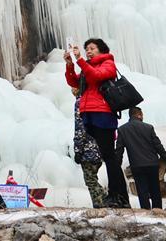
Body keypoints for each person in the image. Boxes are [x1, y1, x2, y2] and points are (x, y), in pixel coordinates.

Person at [64, 38, 129, 208]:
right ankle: (118, 196)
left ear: (102, 50)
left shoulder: (108, 63)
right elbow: (74, 82)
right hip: (90, 115)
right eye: (87, 49)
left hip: (103, 115)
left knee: (110, 157)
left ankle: (118, 196)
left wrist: (79, 61)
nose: (88, 51)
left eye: (92, 48)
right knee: (109, 157)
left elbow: (97, 76)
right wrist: (70, 64)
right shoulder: (88, 67)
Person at [116, 107, 166, 210]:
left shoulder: (122, 130)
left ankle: (146, 212)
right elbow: (158, 146)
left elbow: (119, 150)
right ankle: (158, 211)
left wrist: (117, 165)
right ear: (139, 115)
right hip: (152, 164)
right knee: (155, 190)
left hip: (137, 165)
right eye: (142, 115)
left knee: (142, 190)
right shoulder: (148, 128)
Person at [71, 87, 106, 208]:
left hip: (88, 151)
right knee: (93, 178)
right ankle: (105, 201)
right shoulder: (94, 100)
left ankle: (101, 204)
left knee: (90, 180)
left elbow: (80, 128)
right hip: (100, 148)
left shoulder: (80, 102)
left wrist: (78, 150)